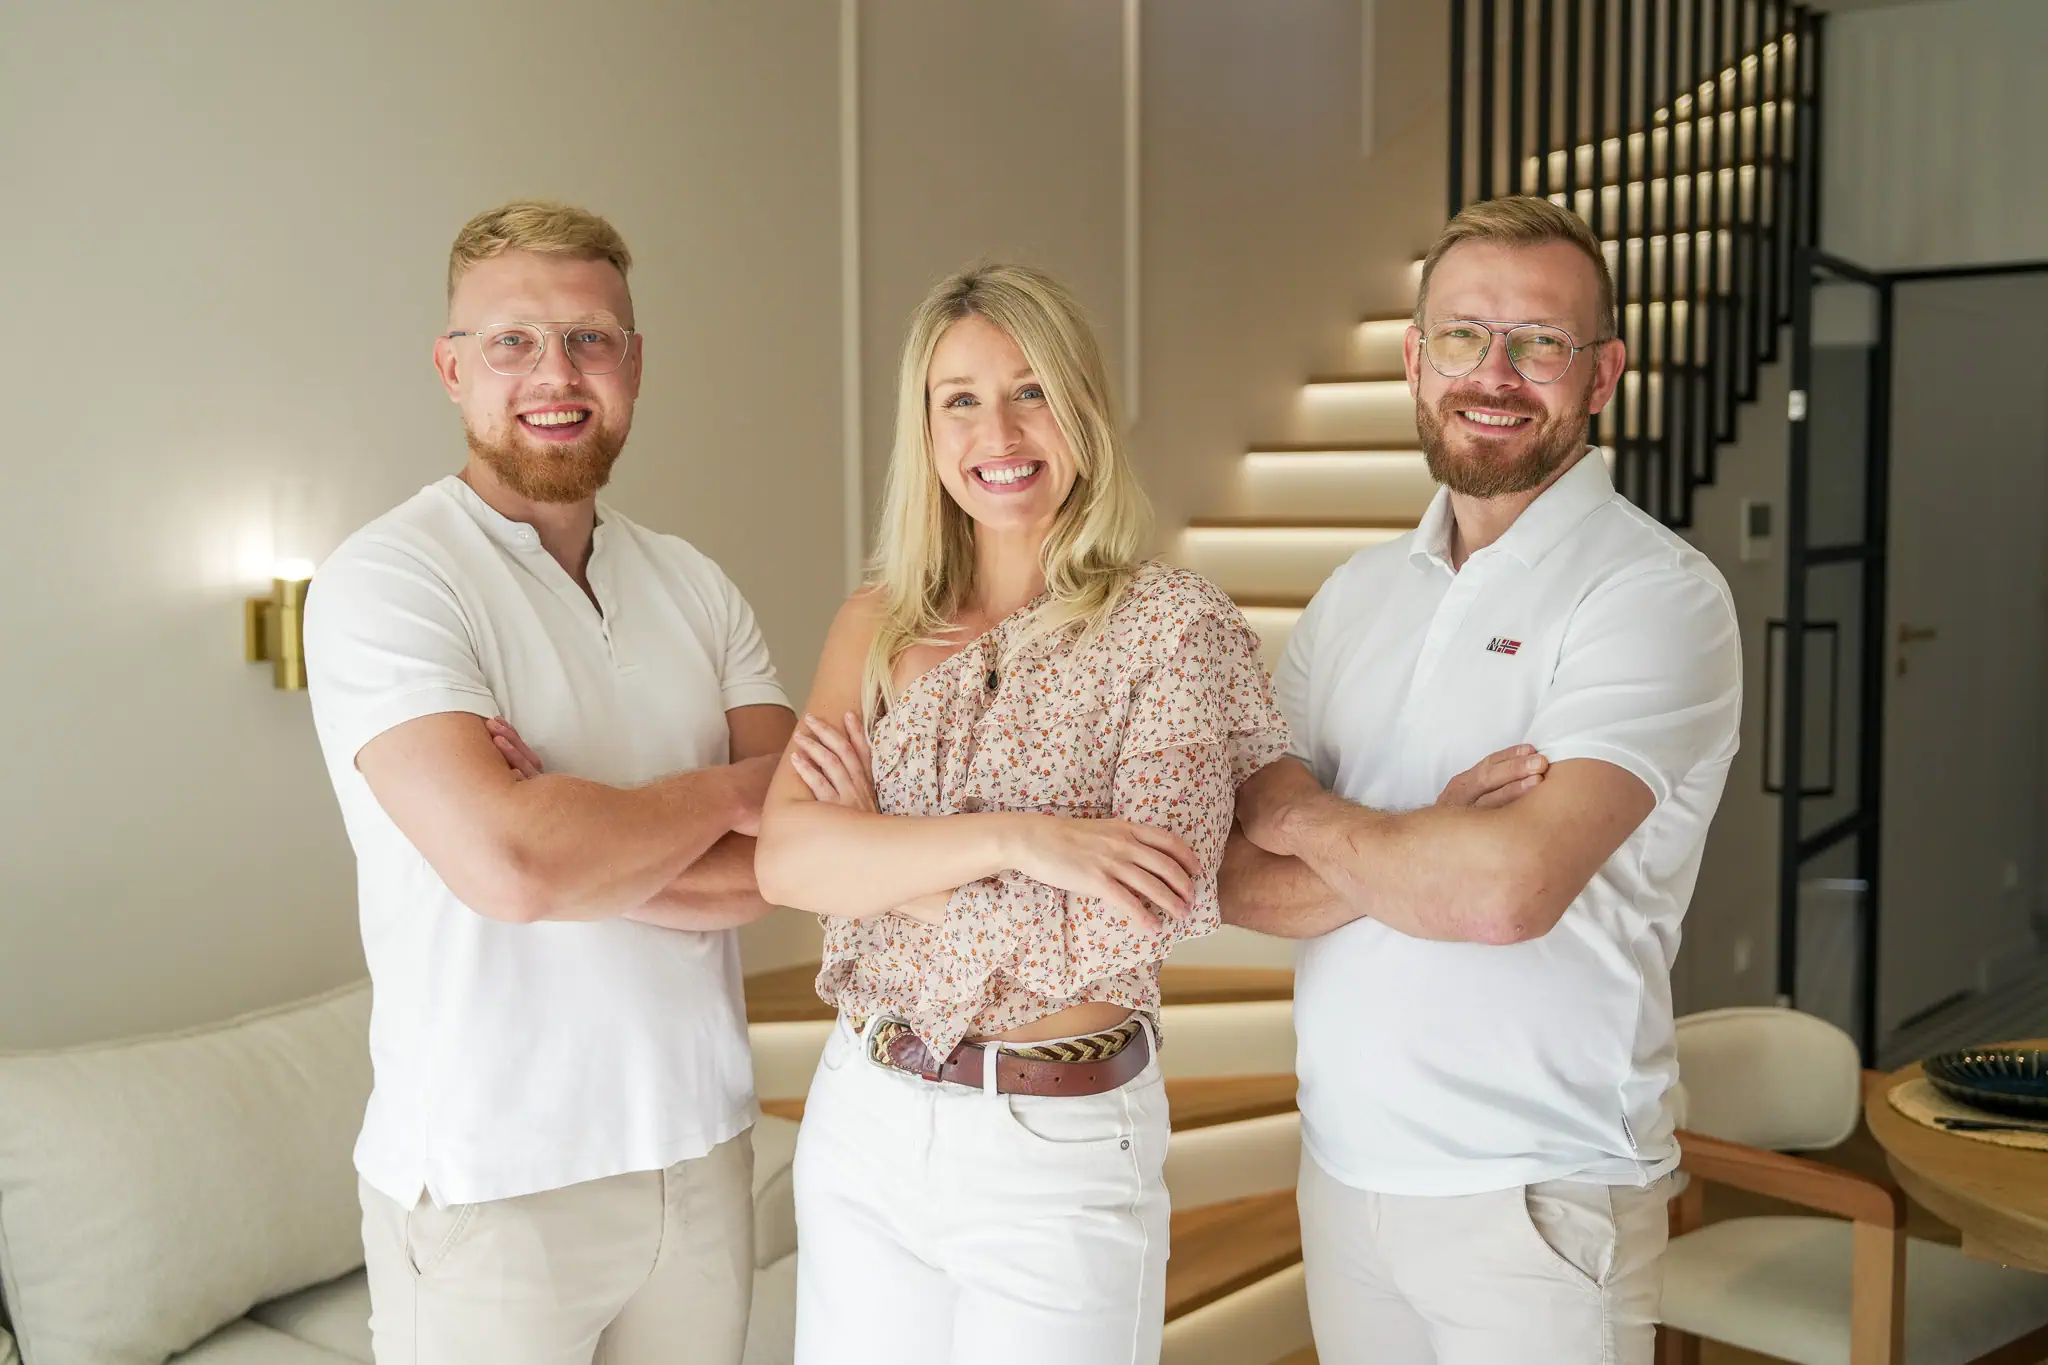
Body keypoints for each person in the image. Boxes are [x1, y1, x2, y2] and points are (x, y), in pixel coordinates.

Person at [1219, 195, 1743, 1365]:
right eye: (1462, 336)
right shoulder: (1354, 596)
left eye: (1538, 342)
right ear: (1415, 361)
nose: (1492, 374)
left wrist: (1303, 813)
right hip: (1343, 1169)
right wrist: (1424, 841)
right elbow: (1235, 879)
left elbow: (1505, 894)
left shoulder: (1652, 594)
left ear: (1600, 374)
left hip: (1537, 1193)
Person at [751, 262, 1291, 1365]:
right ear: (925, 427)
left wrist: (884, 864)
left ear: (1080, 405)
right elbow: (789, 861)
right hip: (865, 1113)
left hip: (1056, 1148)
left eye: (1030, 389)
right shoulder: (875, 624)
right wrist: (1023, 841)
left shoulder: (1172, 627)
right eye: (959, 398)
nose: (996, 431)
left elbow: (1128, 921)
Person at [303, 200, 795, 1365]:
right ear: (451, 368)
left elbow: (795, 852)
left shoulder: (693, 583)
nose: (555, 373)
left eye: (588, 339)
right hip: (489, 1181)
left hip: (700, 1148)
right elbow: (516, 867)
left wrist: (575, 827)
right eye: (512, 341)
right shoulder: (388, 579)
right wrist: (730, 793)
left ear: (634, 364)